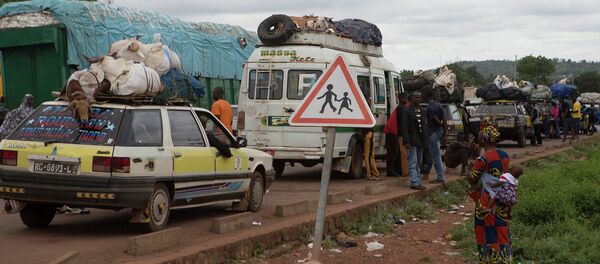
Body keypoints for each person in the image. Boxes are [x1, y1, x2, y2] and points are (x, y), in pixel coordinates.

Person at [467, 119, 512, 263]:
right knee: (502, 229)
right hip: (503, 197)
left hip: (486, 199)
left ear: (484, 139)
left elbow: (472, 179)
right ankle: (505, 260)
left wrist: (469, 168)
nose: (478, 139)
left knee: (486, 230)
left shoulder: (483, 159)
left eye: (480, 136)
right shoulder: (504, 155)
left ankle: (489, 260)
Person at [401, 92, 428, 190]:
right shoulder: (407, 111)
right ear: (411, 99)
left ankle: (417, 180)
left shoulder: (422, 110)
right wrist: (407, 141)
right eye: (416, 97)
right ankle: (414, 182)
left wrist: (426, 141)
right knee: (413, 161)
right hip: (412, 140)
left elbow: (425, 126)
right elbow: (404, 127)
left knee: (419, 162)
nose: (418, 99)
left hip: (421, 140)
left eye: (420, 97)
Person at [425, 94, 446, 184]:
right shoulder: (439, 105)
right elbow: (445, 118)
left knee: (436, 156)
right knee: (435, 155)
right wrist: (444, 131)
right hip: (439, 131)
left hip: (433, 132)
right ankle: (437, 175)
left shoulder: (429, 108)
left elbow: (434, 118)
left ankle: (440, 177)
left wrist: (439, 124)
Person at [384, 95, 401, 177]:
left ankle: (396, 170)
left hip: (393, 131)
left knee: (395, 152)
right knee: (393, 152)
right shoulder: (402, 108)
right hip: (392, 132)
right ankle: (391, 171)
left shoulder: (402, 108)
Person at [396, 93, 410, 177]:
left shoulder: (404, 108)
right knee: (404, 154)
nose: (406, 99)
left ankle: (407, 171)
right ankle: (405, 173)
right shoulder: (400, 109)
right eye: (405, 98)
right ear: (400, 99)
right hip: (402, 134)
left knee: (406, 154)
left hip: (405, 134)